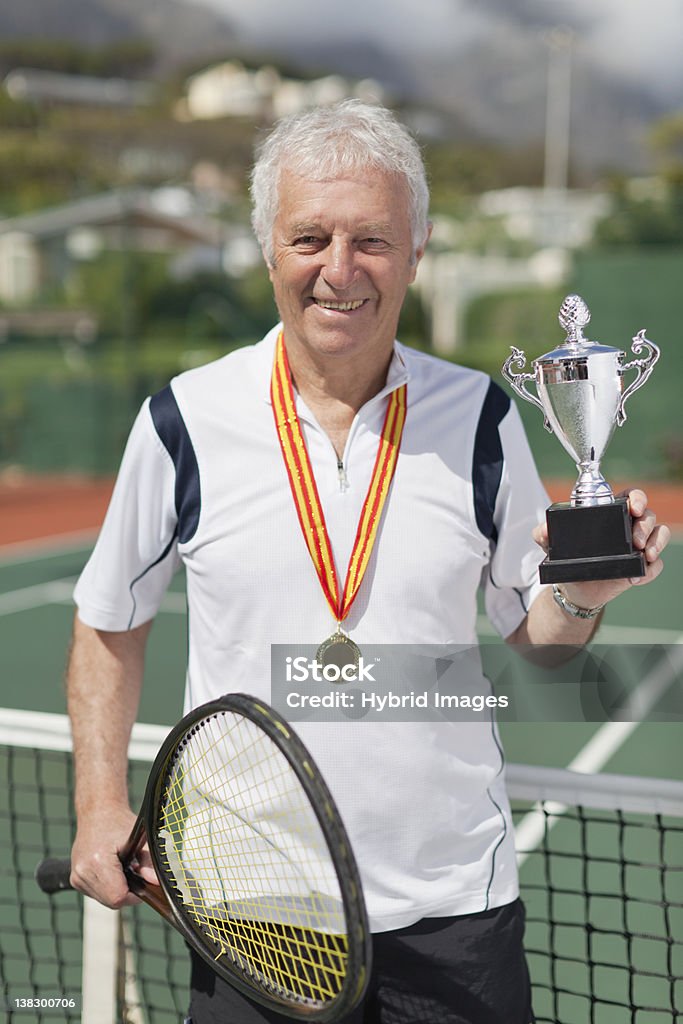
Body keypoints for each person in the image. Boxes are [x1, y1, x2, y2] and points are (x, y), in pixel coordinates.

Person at [67, 100, 670, 1024]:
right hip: (254, 917)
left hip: (452, 915)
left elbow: (539, 641)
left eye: (373, 241)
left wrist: (583, 593)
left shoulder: (481, 417)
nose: (338, 270)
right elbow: (109, 619)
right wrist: (99, 803)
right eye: (310, 237)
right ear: (268, 247)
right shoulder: (183, 420)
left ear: (416, 251)